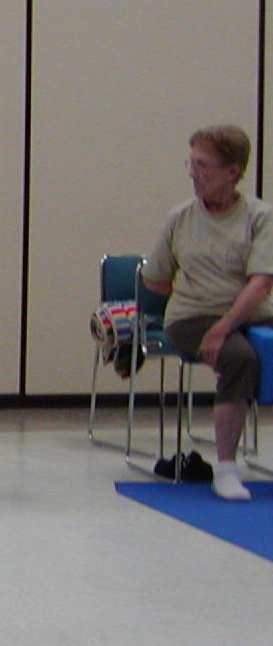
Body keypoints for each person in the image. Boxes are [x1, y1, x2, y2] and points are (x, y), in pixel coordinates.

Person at [140, 125, 273, 500]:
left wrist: (225, 324)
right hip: (192, 316)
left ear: (232, 172)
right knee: (239, 358)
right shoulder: (179, 218)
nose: (193, 174)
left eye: (204, 166)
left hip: (250, 312)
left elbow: (261, 282)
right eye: (192, 163)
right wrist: (203, 305)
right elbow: (156, 279)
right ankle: (227, 469)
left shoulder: (260, 217)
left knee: (243, 344)